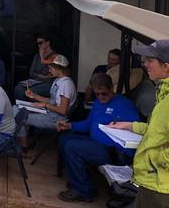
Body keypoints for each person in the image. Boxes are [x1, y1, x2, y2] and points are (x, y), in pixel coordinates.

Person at [56, 73, 140, 203]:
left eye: (104, 93)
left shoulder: (124, 104)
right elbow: (89, 124)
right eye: (97, 94)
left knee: (72, 147)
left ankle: (83, 191)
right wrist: (70, 125)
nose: (101, 97)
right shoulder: (97, 103)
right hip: (95, 143)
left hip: (112, 150)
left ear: (111, 88)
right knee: (64, 139)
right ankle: (80, 180)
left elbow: (135, 129)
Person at [108, 40, 169, 207]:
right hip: (150, 181)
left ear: (166, 66)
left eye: (151, 60)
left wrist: (154, 162)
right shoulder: (163, 92)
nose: (145, 64)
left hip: (160, 186)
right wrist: (129, 125)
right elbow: (158, 131)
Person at [13, 54, 77, 153]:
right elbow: (52, 101)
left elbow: (63, 110)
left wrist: (45, 105)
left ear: (58, 68)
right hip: (49, 113)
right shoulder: (58, 80)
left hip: (55, 119)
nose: (49, 70)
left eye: (50, 68)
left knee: (19, 115)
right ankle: (22, 143)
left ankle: (23, 148)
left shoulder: (66, 84)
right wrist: (34, 96)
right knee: (16, 108)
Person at [14, 35, 57, 101]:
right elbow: (31, 73)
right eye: (37, 44)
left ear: (47, 42)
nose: (39, 45)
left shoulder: (55, 56)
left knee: (31, 91)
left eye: (40, 43)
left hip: (48, 84)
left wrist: (39, 75)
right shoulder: (37, 56)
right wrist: (43, 76)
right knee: (18, 88)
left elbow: (51, 76)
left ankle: (33, 109)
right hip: (35, 82)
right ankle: (22, 108)